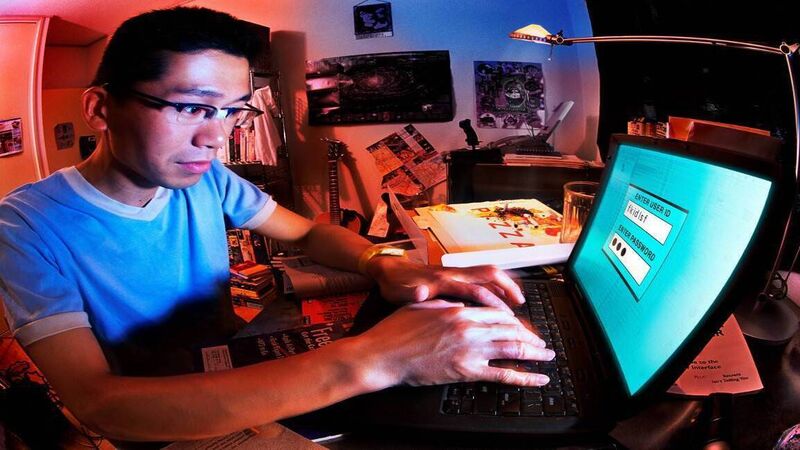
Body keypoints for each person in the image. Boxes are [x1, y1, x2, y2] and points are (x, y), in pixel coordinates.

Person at [0, 6, 552, 445]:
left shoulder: (209, 179)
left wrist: (384, 263)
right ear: (100, 109)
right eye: (192, 107)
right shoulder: (24, 226)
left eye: (232, 111)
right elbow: (101, 405)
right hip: (165, 422)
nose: (215, 139)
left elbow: (307, 233)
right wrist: (374, 359)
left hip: (240, 364)